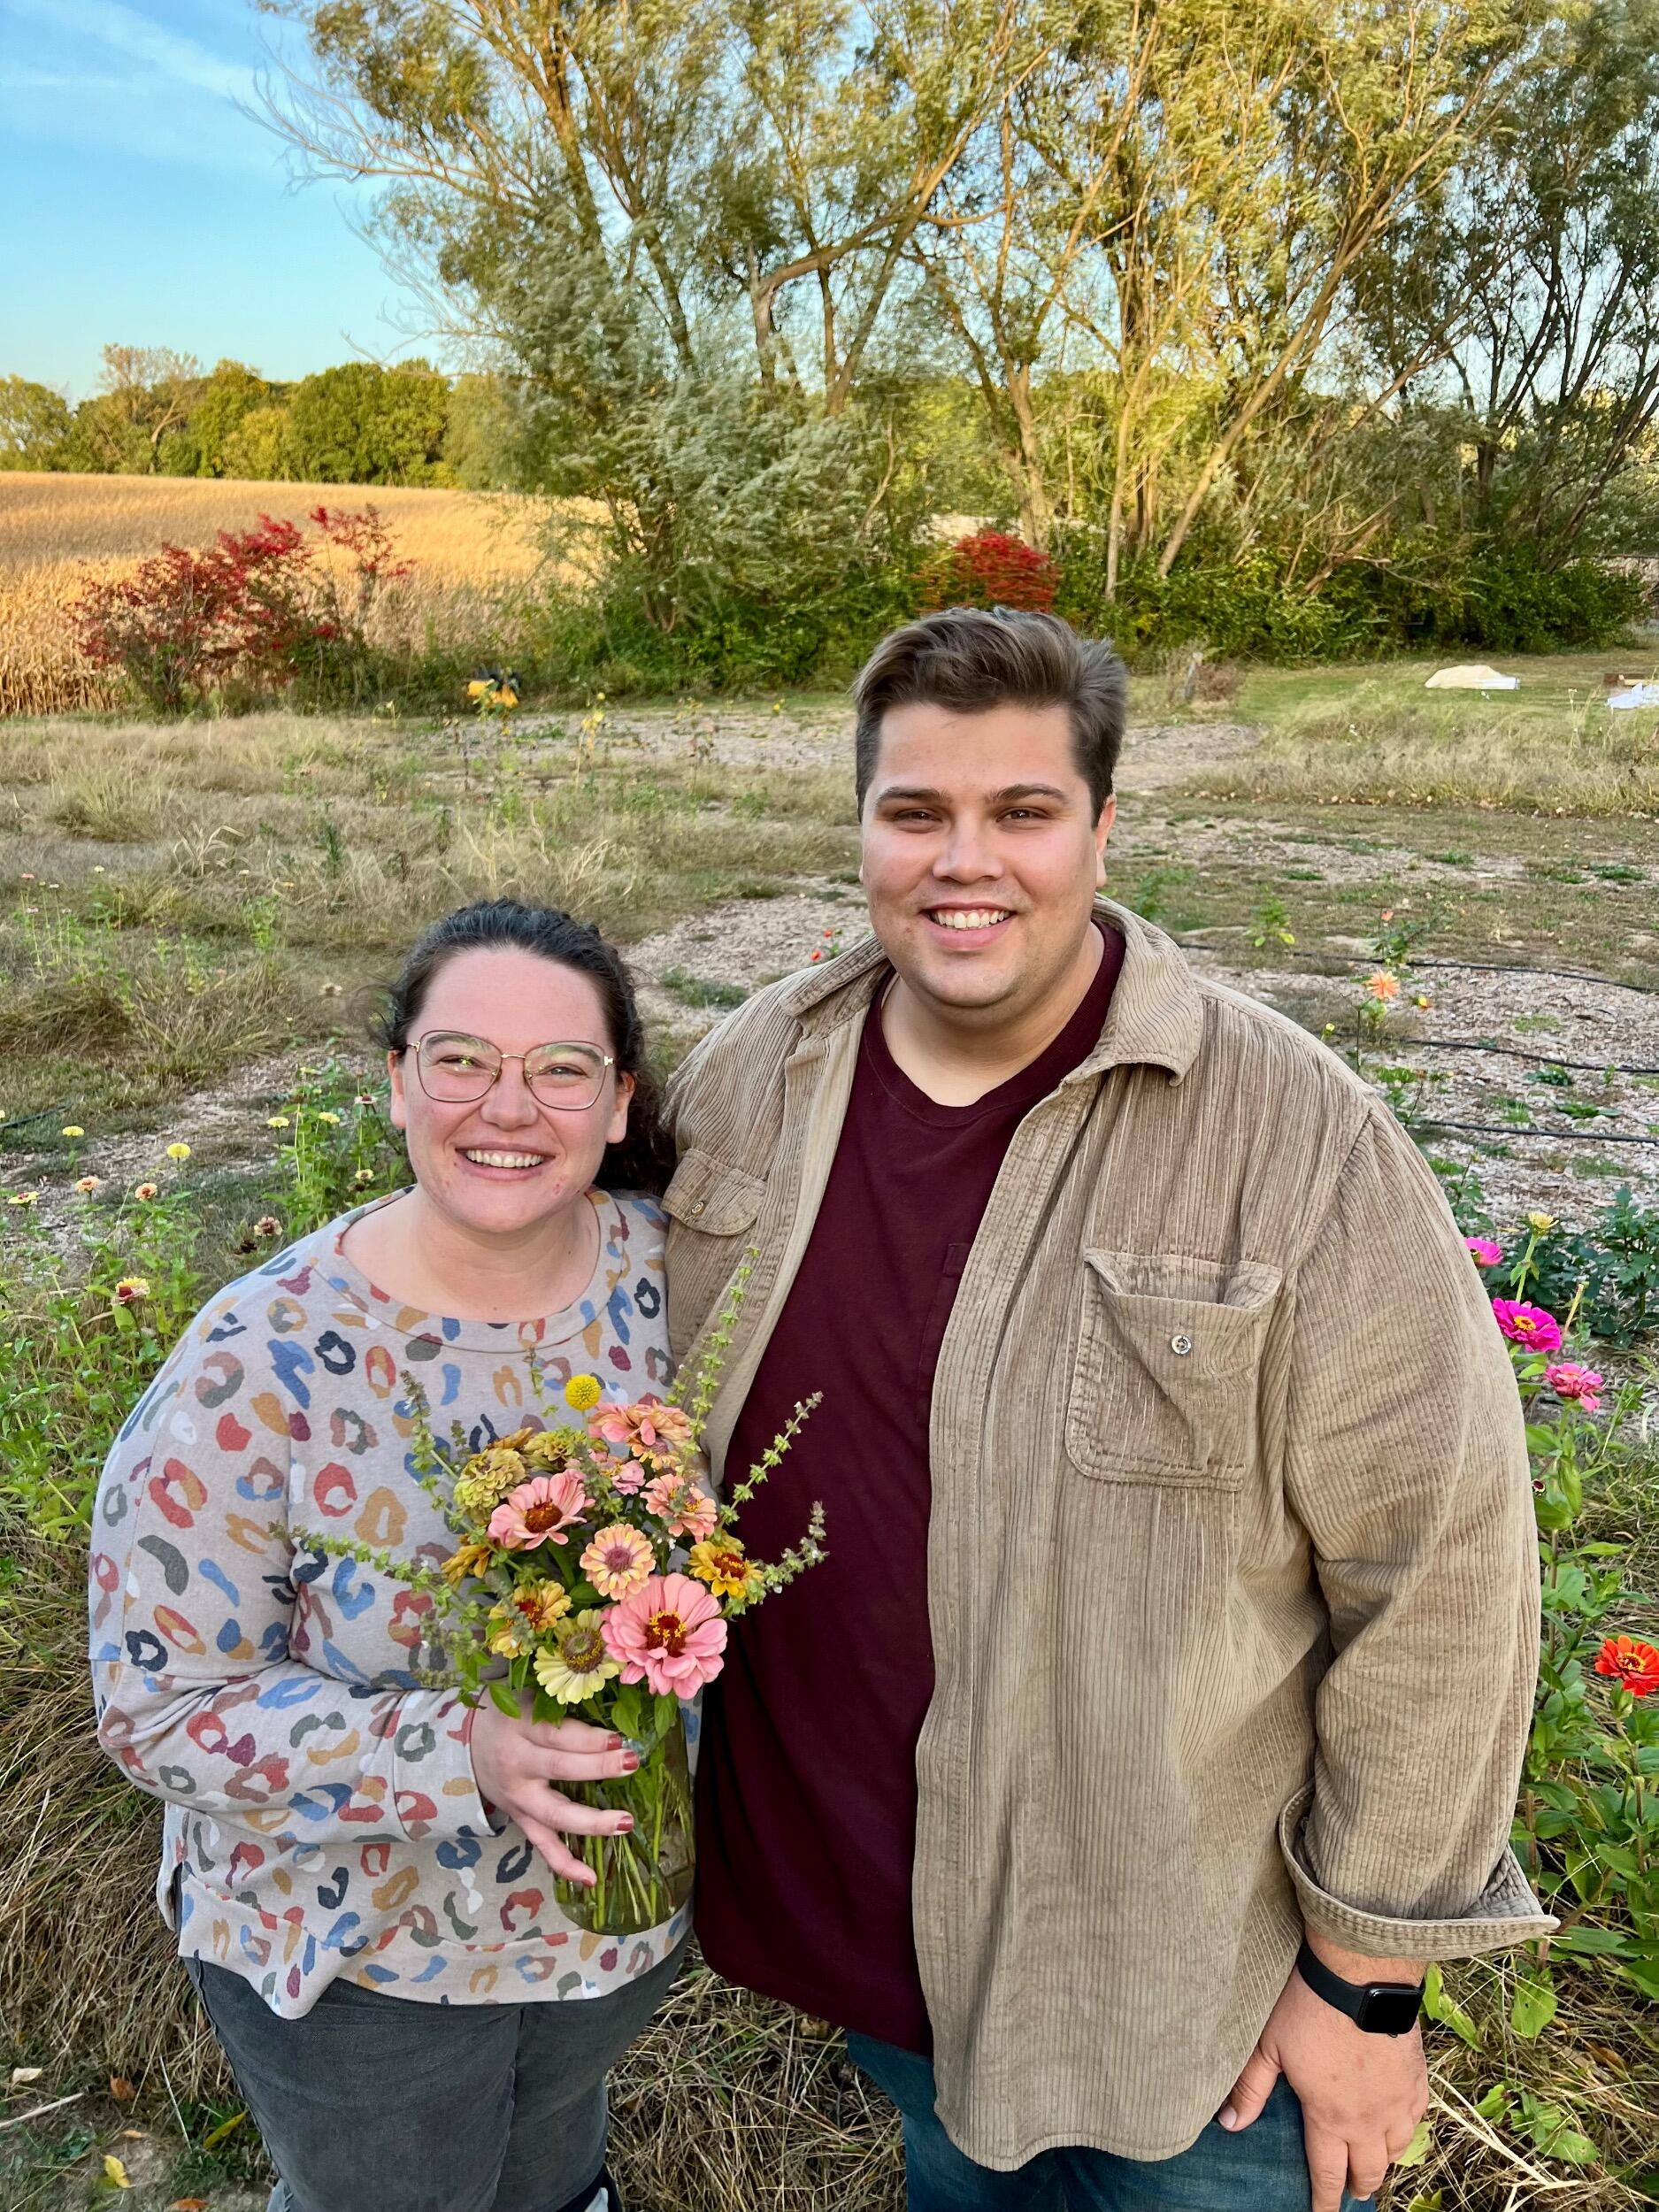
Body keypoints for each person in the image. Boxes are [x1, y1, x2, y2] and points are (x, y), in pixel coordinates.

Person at [664, 608, 1552, 2212]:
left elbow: (1447, 1571)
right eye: (916, 811)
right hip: (871, 1934)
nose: (964, 861)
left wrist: (1367, 1983)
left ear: (1102, 827)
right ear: (860, 823)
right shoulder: (751, 1074)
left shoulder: (1293, 1138)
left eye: (1022, 812)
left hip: (1191, 2010)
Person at [90, 901, 687, 2212]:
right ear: (398, 1083)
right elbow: (158, 1707)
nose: (509, 1108)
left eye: (562, 1068)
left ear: (618, 1098)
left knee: (552, 2183)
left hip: (611, 1934)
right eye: (461, 1059)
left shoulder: (681, 1283)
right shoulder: (263, 1357)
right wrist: (458, 1749)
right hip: (360, 1966)